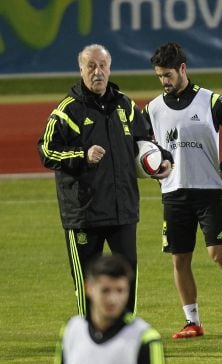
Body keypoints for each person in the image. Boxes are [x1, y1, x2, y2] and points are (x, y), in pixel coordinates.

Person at [37, 44, 172, 316]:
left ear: (109, 68)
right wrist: (82, 155)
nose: (97, 72)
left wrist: (164, 159)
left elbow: (145, 140)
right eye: (91, 66)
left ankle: (127, 336)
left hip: (123, 210)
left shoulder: (125, 105)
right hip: (84, 214)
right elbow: (46, 150)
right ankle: (89, 338)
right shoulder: (66, 111)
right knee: (88, 282)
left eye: (102, 66)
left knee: (127, 278)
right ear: (81, 70)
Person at [143, 42, 222, 339]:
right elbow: (144, 146)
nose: (164, 81)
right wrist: (152, 168)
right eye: (159, 77)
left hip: (208, 191)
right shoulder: (152, 108)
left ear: (182, 69)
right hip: (174, 192)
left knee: (219, 255)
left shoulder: (211, 101)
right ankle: (192, 322)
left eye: (168, 75)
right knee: (180, 260)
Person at [54, 255, 166, 364]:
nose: (113, 299)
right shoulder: (72, 330)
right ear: (89, 288)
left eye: (120, 290)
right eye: (105, 290)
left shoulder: (144, 338)